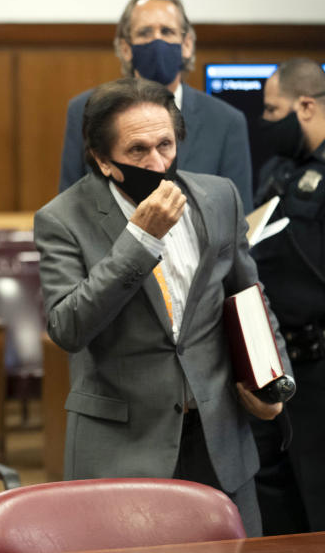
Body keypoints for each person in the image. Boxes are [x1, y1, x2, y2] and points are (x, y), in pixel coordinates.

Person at [35, 77, 289, 537]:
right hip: (122, 447)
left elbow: (249, 295)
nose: (157, 163)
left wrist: (273, 380)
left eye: (165, 145)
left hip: (217, 438)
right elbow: (68, 327)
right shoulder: (62, 219)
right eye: (137, 151)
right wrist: (139, 240)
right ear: (101, 160)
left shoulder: (217, 197)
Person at [58, 0, 253, 211]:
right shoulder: (84, 110)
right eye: (145, 33)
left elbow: (240, 217)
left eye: (167, 31)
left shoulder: (226, 121)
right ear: (125, 48)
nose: (157, 41)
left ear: (187, 44)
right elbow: (70, 208)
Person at [248, 58, 325, 534]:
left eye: (274, 112)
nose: (266, 123)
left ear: (306, 105)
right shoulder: (277, 169)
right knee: (276, 509)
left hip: (320, 365)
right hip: (272, 365)